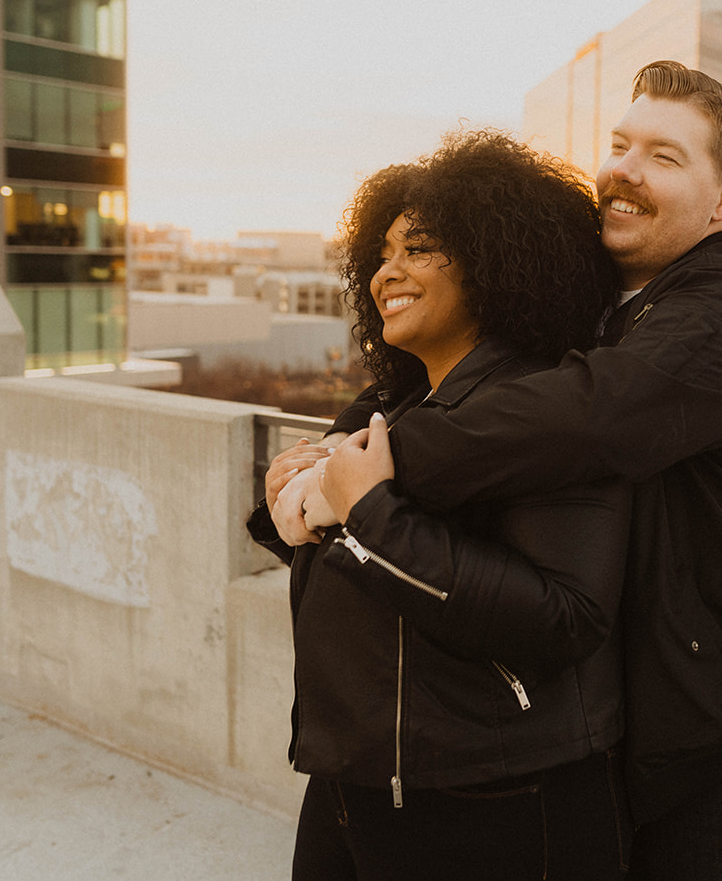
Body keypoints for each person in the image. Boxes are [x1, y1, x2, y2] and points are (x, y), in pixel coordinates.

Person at [302, 61, 722, 879]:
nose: (624, 169)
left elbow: (591, 412)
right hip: (642, 710)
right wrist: (335, 446)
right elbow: (452, 367)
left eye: (664, 156)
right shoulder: (606, 295)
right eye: (621, 144)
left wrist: (377, 469)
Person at [246, 130, 631, 880]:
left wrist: (367, 514)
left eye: (419, 248)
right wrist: (289, 504)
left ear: (495, 262)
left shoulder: (545, 411)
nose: (389, 270)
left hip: (497, 797)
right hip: (353, 775)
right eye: (382, 253)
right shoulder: (392, 400)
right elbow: (366, 557)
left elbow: (564, 616)